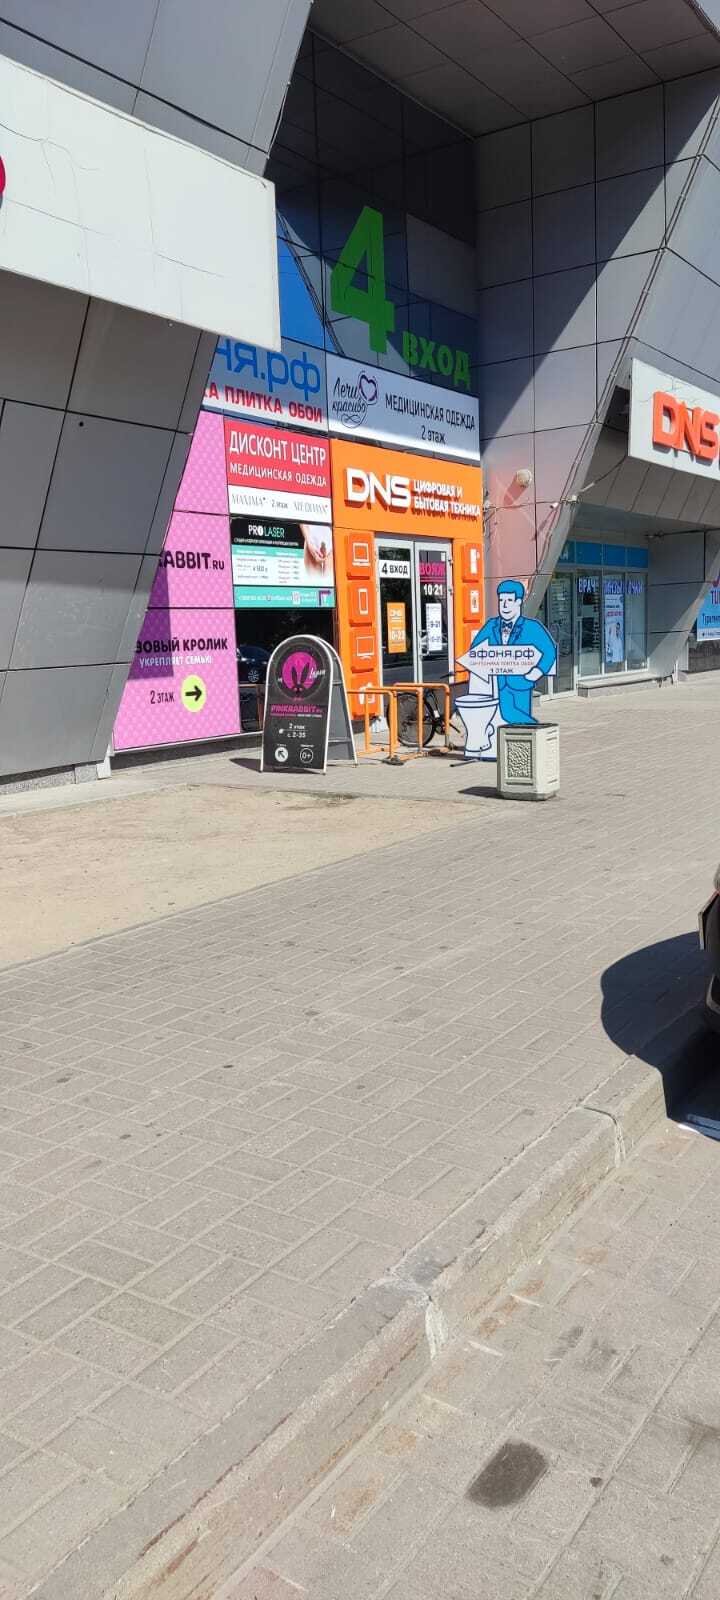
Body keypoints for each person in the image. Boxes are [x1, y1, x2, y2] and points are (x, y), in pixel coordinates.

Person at [465, 579, 557, 752]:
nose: (504, 605)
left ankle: (530, 743)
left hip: (521, 683)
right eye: (501, 600)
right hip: (495, 684)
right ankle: (518, 746)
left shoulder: (531, 627)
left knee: (514, 716)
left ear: (519, 602)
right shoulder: (491, 625)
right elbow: (475, 650)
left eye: (509, 600)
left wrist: (537, 671)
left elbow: (549, 651)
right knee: (502, 718)